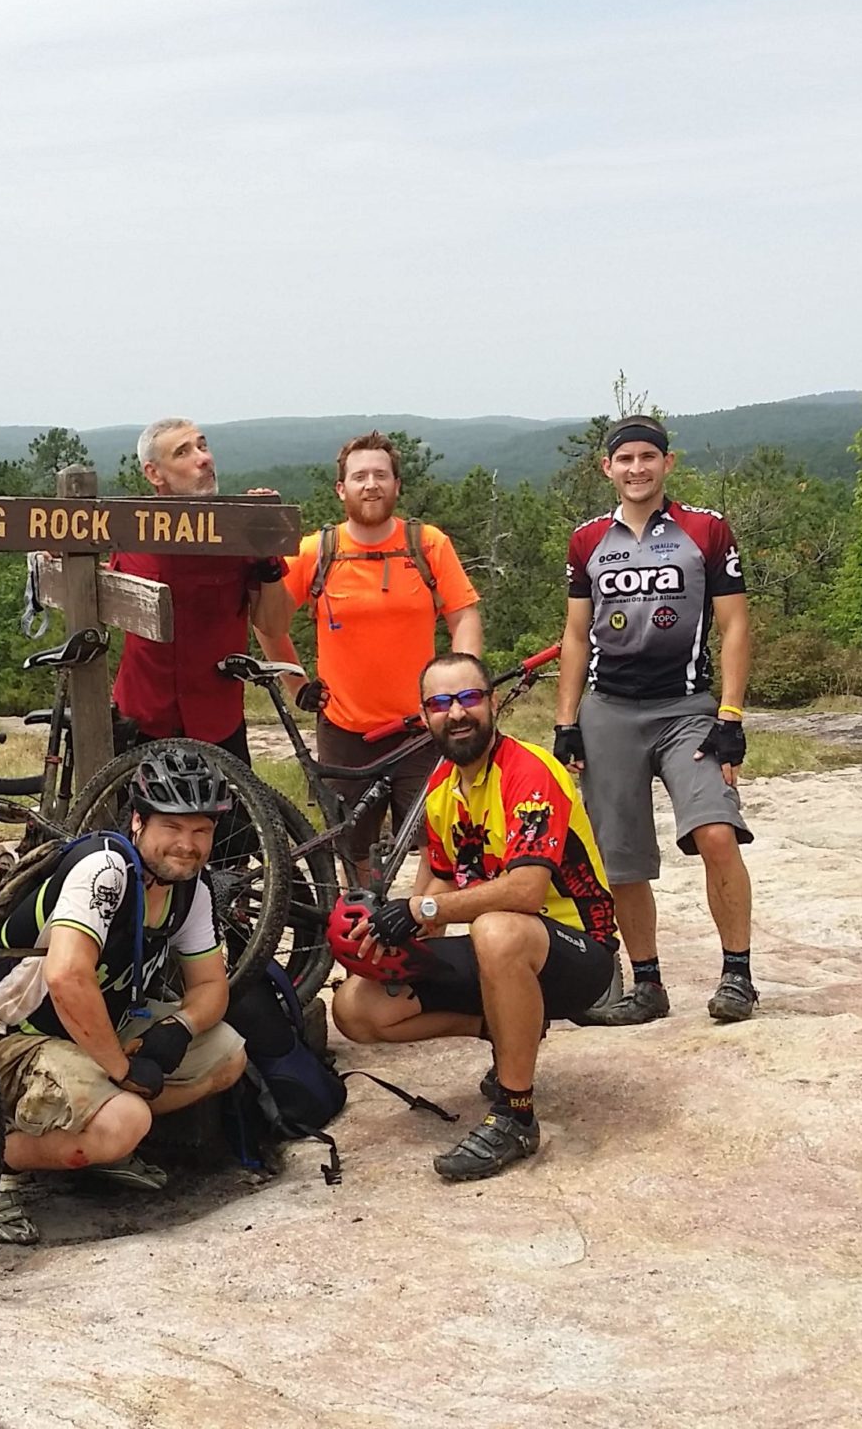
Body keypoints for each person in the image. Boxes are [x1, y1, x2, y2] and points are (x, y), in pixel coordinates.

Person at [328, 652, 621, 1181]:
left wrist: (423, 908)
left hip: (579, 952)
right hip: (506, 956)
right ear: (425, 717)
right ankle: (514, 1031)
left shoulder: (529, 771)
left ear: (491, 703)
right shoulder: (443, 791)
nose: (456, 713)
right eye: (440, 703)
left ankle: (515, 1114)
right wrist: (392, 936)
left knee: (497, 926)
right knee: (356, 1006)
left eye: (468, 698)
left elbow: (528, 892)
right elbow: (439, 878)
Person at [0, 746, 252, 1245]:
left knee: (229, 1056)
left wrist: (176, 1031)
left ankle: (91, 1133)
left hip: (91, 1028)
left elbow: (210, 985)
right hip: (9, 1031)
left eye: (201, 831)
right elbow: (67, 975)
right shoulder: (106, 869)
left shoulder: (190, 890)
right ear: (138, 821)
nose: (188, 845)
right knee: (126, 1120)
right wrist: (122, 1070)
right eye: (172, 828)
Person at [550, 415, 757, 1026]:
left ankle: (738, 977)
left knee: (717, 831)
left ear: (668, 463)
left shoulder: (706, 531)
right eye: (625, 459)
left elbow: (736, 624)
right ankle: (647, 984)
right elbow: (574, 634)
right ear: (607, 469)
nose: (636, 468)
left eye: (648, 457)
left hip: (687, 708)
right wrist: (567, 723)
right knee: (622, 859)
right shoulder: (587, 540)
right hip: (608, 711)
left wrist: (732, 714)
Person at [277, 431, 484, 886]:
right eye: (359, 476)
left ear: (397, 485)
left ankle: (422, 939)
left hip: (423, 730)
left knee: (439, 844)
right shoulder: (317, 552)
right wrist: (298, 687)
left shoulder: (427, 544)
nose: (370, 484)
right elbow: (268, 622)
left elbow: (464, 614)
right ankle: (367, 949)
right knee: (353, 851)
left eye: (380, 475)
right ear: (341, 489)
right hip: (346, 731)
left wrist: (458, 689)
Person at [111, 418, 294, 761]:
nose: (204, 458)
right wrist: (60, 555)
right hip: (142, 720)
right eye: (184, 452)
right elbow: (100, 593)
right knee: (129, 817)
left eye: (203, 446)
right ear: (154, 474)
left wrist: (266, 553)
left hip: (218, 723)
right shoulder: (128, 531)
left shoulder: (239, 530)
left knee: (232, 816)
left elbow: (275, 624)